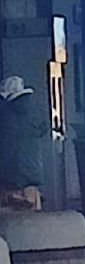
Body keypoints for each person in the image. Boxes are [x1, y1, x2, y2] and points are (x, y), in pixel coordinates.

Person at [0, 76, 42, 210]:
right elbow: (43, 129)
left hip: (7, 167)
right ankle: (29, 201)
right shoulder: (34, 111)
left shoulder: (3, 113)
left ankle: (15, 198)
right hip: (32, 165)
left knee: (9, 209)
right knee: (31, 190)